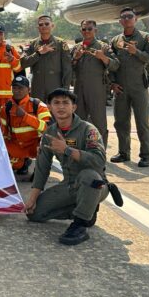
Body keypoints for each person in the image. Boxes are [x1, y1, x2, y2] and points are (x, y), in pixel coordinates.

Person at [25, 88, 110, 246]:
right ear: (49, 107)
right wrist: (32, 198)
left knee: (89, 176)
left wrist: (66, 150)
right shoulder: (49, 134)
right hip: (70, 184)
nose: (61, 107)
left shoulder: (88, 130)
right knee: (34, 214)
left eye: (65, 103)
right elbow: (42, 168)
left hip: (95, 184)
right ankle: (87, 210)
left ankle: (80, 224)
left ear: (74, 107)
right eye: (56, 103)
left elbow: (99, 161)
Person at [108, 8, 149, 167]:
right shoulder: (115, 40)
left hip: (139, 86)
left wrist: (136, 52)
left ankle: (146, 155)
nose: (127, 19)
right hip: (120, 87)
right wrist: (112, 83)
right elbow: (111, 64)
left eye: (130, 16)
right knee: (121, 122)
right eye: (124, 17)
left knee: (142, 122)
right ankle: (124, 152)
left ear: (136, 19)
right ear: (120, 21)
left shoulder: (146, 38)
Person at [72, 19, 118, 147]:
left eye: (89, 29)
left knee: (99, 122)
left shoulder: (103, 47)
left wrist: (103, 57)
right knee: (77, 121)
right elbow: (68, 68)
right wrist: (75, 58)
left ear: (95, 30)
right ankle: (77, 150)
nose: (86, 31)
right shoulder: (76, 48)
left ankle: (100, 151)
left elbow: (116, 65)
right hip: (79, 90)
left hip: (96, 89)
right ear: (80, 30)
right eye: (84, 29)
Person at [0, 76, 51, 181]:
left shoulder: (39, 106)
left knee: (47, 145)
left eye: (21, 88)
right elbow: (3, 132)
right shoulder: (6, 108)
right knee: (0, 159)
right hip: (17, 145)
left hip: (34, 145)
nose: (17, 91)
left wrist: (25, 117)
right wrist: (4, 150)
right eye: (14, 88)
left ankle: (40, 173)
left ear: (29, 89)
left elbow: (47, 128)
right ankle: (23, 163)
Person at [20, 15, 72, 100]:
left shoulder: (61, 43)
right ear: (38, 27)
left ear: (52, 26)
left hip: (55, 85)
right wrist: (38, 53)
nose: (44, 26)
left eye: (47, 24)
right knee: (37, 107)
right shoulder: (32, 44)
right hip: (37, 85)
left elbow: (67, 68)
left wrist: (65, 88)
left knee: (54, 107)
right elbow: (23, 63)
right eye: (41, 24)